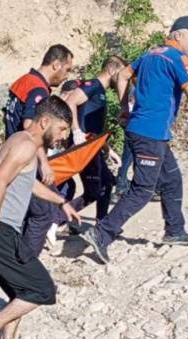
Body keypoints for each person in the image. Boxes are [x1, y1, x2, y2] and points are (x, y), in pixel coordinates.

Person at [81, 16, 188, 264]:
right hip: (149, 134)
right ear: (178, 35)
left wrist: (124, 107)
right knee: (143, 190)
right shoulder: (177, 59)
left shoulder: (150, 54)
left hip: (150, 132)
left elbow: (122, 76)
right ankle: (101, 233)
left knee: (172, 179)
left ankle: (175, 230)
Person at [0, 96, 80, 339]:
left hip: (3, 229)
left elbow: (28, 183)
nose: (63, 136)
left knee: (20, 291)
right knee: (42, 290)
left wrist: (61, 201)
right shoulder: (26, 146)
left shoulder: (21, 140)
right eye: (62, 129)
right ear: (45, 121)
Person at [4, 44, 74, 257]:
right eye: (67, 69)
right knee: (44, 211)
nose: (66, 76)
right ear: (56, 64)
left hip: (13, 153)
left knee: (28, 209)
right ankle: (26, 263)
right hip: (26, 157)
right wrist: (44, 163)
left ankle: (18, 253)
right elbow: (30, 127)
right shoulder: (38, 88)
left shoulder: (23, 81)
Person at [51, 56, 126, 234]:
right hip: (84, 148)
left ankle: (101, 224)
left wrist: (108, 149)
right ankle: (55, 221)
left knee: (107, 183)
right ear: (113, 70)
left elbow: (94, 126)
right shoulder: (92, 85)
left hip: (93, 147)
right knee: (93, 191)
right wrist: (76, 131)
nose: (123, 80)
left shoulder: (100, 91)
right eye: (122, 75)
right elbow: (70, 102)